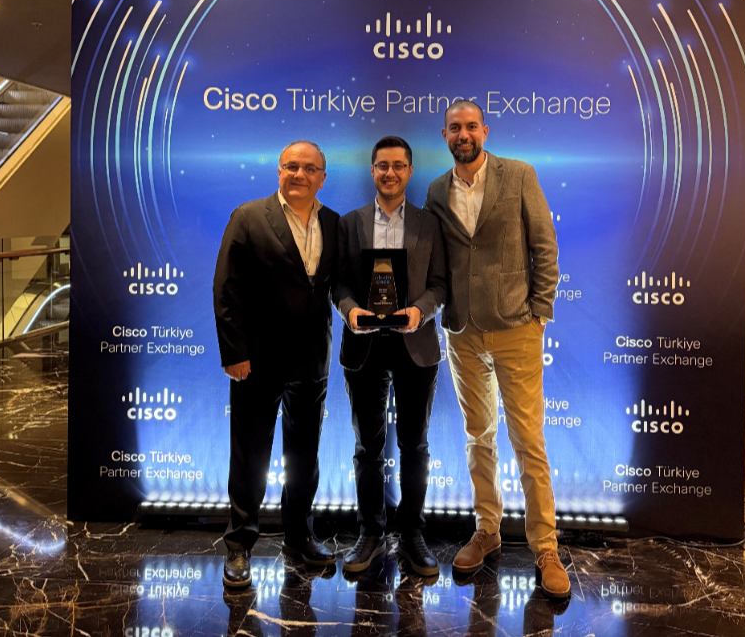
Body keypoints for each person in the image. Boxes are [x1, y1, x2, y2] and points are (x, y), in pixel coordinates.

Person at [424, 101, 569, 598]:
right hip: (461, 330)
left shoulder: (519, 175)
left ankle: (545, 546)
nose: (463, 134)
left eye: (471, 126)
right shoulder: (436, 191)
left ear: (484, 130)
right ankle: (487, 529)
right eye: (455, 128)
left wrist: (540, 312)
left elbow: (544, 246)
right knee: (477, 435)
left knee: (528, 439)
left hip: (516, 327)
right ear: (445, 135)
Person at [213, 140, 339, 589]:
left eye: (308, 168)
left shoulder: (333, 223)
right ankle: (239, 545)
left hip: (312, 360)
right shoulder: (248, 217)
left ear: (322, 177)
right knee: (251, 455)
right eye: (291, 166)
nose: (299, 174)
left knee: (304, 457)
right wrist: (235, 352)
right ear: (279, 172)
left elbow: (337, 287)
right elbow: (226, 287)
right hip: (257, 361)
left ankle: (299, 538)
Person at [334, 136, 446, 576]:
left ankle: (413, 534)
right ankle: (371, 533)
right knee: (367, 447)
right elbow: (339, 284)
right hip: (364, 343)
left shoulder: (429, 224)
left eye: (399, 165)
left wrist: (420, 311)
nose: (390, 173)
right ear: (372, 170)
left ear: (410, 171)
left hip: (415, 344)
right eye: (382, 165)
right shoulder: (350, 223)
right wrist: (350, 311)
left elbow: (440, 284)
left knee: (414, 445)